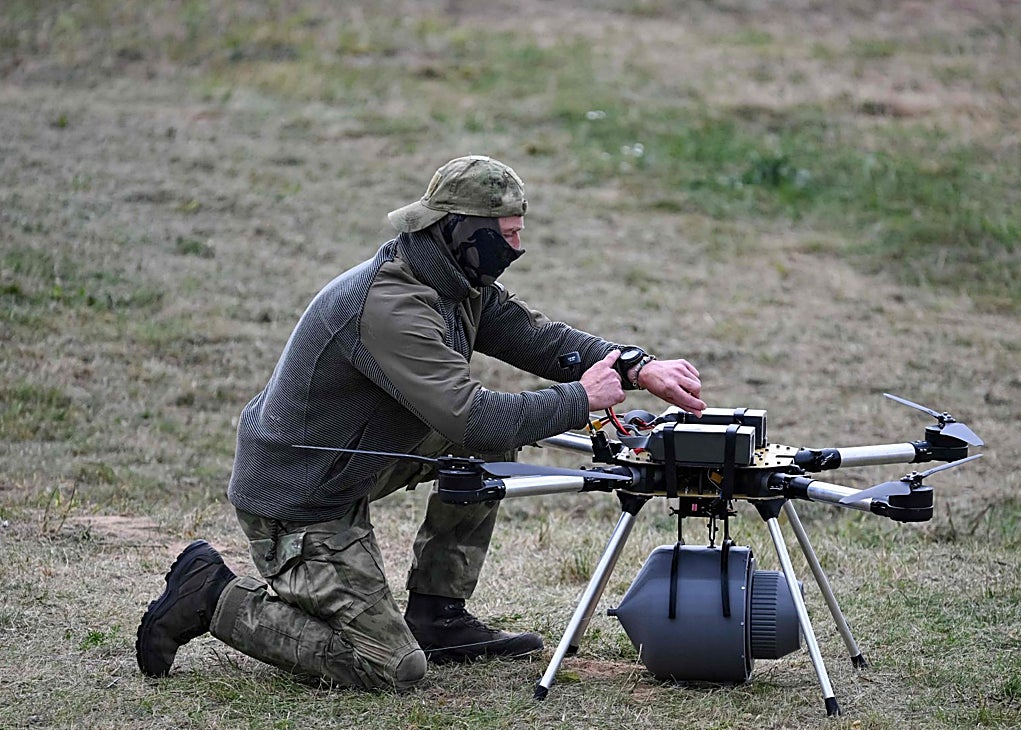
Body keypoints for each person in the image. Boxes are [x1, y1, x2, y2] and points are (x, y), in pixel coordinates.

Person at [136, 155, 706, 691]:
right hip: (299, 495)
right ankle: (211, 594)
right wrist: (580, 398)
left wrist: (637, 366)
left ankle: (439, 616)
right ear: (463, 233)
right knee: (389, 666)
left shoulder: (453, 280)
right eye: (508, 235)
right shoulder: (393, 306)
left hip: (355, 459)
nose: (519, 248)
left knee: (489, 446)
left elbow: (535, 338)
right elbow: (474, 420)